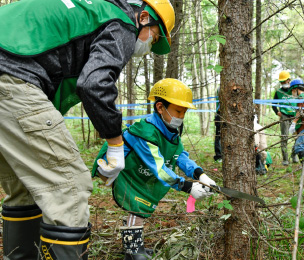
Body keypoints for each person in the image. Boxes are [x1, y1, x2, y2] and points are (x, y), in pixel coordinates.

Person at [0, 0, 174, 259]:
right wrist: (115, 145)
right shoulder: (123, 22)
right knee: (69, 187)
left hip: (9, 75)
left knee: (25, 186)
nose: (149, 45)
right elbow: (94, 84)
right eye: (154, 36)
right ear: (145, 18)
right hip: (12, 78)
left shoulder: (90, 9)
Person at [92, 78, 217, 260]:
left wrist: (200, 174)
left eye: (184, 112)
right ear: (160, 107)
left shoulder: (170, 131)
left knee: (139, 206)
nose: (181, 116)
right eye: (178, 111)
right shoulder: (146, 133)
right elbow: (159, 168)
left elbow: (179, 155)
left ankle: (134, 248)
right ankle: (134, 252)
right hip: (123, 171)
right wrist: (188, 187)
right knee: (137, 204)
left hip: (139, 170)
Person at [272, 71, 299, 166]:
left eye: (284, 81)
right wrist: (277, 112)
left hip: (295, 116)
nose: (283, 83)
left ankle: (294, 155)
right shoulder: (278, 92)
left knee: (297, 136)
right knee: (284, 137)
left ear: (289, 80)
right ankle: (285, 159)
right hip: (284, 116)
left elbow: (301, 102)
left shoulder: (295, 91)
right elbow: (273, 104)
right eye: (281, 82)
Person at [214, 87, 223, 162]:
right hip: (219, 115)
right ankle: (218, 155)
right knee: (218, 136)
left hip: (224, 115)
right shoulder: (220, 89)